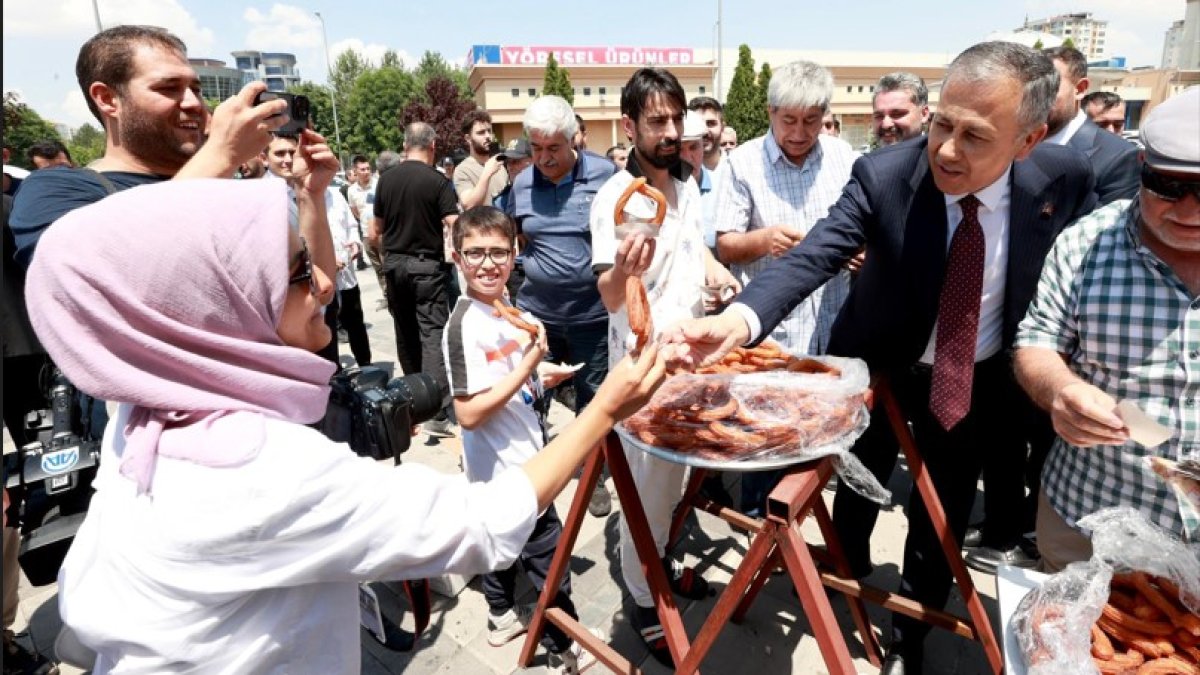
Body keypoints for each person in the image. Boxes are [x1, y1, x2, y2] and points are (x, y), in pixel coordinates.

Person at [23, 175, 666, 674]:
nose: (328, 283)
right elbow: (486, 523)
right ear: (221, 307)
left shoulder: (140, 414)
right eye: (298, 272)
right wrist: (605, 407)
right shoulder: (262, 471)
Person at [665, 42, 1097, 675]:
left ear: (1027, 141)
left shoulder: (1062, 180)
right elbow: (815, 254)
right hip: (877, 369)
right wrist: (739, 320)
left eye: (975, 137)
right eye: (943, 123)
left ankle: (912, 632)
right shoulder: (887, 175)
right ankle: (848, 572)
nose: (947, 149)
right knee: (855, 487)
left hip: (967, 375)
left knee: (940, 510)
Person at [962, 45, 1141, 574]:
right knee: (1002, 445)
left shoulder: (1109, 158)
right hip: (1012, 337)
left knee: (1045, 445)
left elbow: (1101, 246)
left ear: (1077, 89)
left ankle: (1030, 535)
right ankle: (1003, 526)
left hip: (1071, 347)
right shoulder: (1000, 154)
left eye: (1050, 84)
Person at [1014, 86, 1200, 570]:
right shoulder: (1087, 241)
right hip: (1093, 518)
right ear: (1141, 167)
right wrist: (1061, 391)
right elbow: (1037, 340)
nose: (1187, 211)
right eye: (1168, 186)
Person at [591, 67, 739, 667]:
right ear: (629, 126)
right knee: (644, 492)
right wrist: (626, 269)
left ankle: (661, 564)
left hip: (691, 361)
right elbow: (606, 293)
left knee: (675, 486)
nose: (673, 131)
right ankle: (641, 599)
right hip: (642, 368)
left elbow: (693, 244)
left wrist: (714, 270)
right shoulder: (614, 199)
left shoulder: (689, 183)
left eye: (678, 119)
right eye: (658, 121)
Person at [442, 206, 603, 674]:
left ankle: (498, 616)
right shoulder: (463, 325)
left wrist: (543, 376)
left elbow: (507, 378)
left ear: (515, 255)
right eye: (475, 254)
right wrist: (528, 367)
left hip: (526, 456)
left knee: (501, 544)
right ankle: (563, 646)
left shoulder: (508, 311)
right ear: (457, 258)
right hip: (506, 471)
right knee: (551, 563)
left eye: (498, 252)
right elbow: (468, 413)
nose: (488, 264)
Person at [505, 96, 617, 519]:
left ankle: (596, 475)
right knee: (531, 396)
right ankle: (533, 477)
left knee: (592, 400)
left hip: (592, 315)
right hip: (538, 315)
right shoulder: (521, 183)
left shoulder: (606, 175)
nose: (544, 159)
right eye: (535, 149)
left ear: (575, 140)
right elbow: (519, 236)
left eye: (553, 148)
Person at [370, 122, 460, 437]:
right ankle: (436, 412)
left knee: (405, 334)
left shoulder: (386, 180)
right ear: (433, 145)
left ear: (406, 144)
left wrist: (385, 259)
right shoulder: (437, 181)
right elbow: (454, 222)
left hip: (394, 264)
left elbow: (374, 232)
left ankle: (413, 403)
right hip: (426, 266)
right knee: (433, 335)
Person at [1040, 46, 1138, 206]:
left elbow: (1110, 227)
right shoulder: (1013, 143)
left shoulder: (1120, 157)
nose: (1036, 98)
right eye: (1031, 89)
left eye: (1048, 88)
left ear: (1080, 89)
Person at [455, 109, 508, 209]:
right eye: (481, 133)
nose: (488, 136)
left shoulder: (500, 165)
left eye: (489, 131)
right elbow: (468, 204)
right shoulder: (462, 170)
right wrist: (487, 173)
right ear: (468, 139)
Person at [871, 72, 930, 147]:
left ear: (924, 114)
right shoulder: (868, 158)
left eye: (897, 114)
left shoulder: (937, 157)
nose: (886, 124)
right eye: (879, 116)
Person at [687, 96, 726, 172]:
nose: (705, 131)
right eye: (698, 123)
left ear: (722, 127)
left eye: (711, 123)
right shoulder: (678, 173)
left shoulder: (737, 168)